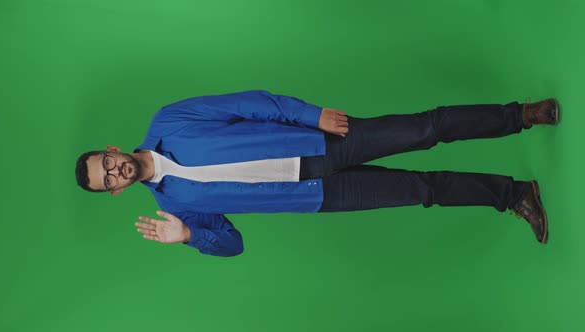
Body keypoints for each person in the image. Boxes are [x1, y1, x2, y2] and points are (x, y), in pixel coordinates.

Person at [75, 90, 559, 257]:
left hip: (318, 142)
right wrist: (187, 237)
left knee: (423, 128)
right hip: (317, 194)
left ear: (113, 149)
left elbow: (247, 103)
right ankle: (514, 194)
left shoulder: (169, 120)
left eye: (106, 163)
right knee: (421, 189)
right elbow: (232, 244)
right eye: (108, 180)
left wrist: (309, 115)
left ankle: (519, 116)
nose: (115, 172)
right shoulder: (174, 207)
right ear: (115, 192)